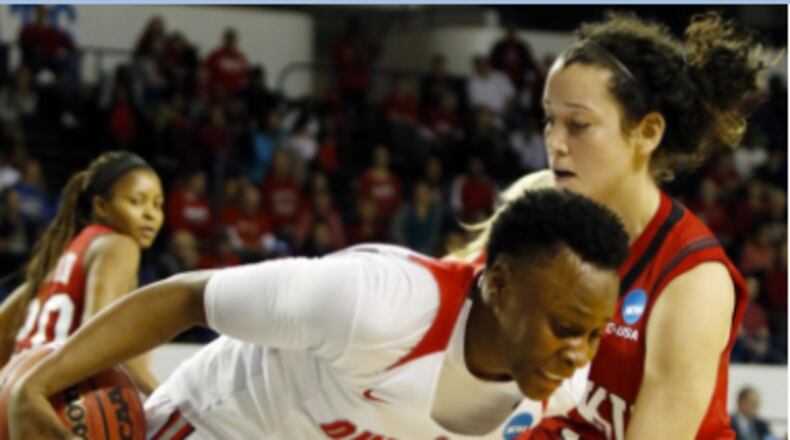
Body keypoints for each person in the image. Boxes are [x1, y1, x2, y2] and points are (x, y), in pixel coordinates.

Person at [10, 189, 629, 440]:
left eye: (596, 333)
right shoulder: (379, 301)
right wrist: (35, 385)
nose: (579, 351)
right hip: (210, 428)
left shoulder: (559, 385)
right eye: (565, 326)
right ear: (497, 282)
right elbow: (184, 298)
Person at [453, 11, 764, 440]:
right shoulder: (534, 203)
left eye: (578, 125)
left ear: (648, 131)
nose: (555, 142)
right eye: (549, 119)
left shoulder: (694, 280)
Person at [0, 151, 164, 395]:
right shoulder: (119, 244)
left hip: (13, 397)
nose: (150, 214)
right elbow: (99, 335)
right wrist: (165, 396)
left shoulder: (66, 254)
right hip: (52, 398)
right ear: (101, 206)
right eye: (136, 201)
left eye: (158, 204)